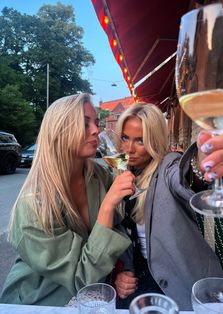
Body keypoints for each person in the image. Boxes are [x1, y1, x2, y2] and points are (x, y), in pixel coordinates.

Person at [0, 93, 135, 306]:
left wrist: (119, 271)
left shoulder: (97, 174)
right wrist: (108, 205)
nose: (96, 130)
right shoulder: (34, 206)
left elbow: (116, 230)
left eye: (97, 123)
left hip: (95, 300)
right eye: (84, 123)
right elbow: (81, 278)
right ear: (59, 132)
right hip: (38, 303)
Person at [113, 103, 223, 311]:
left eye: (140, 141)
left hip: (181, 281)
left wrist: (201, 165)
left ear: (154, 141)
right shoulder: (118, 172)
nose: (129, 149)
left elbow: (186, 180)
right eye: (125, 138)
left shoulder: (168, 165)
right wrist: (122, 272)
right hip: (136, 279)